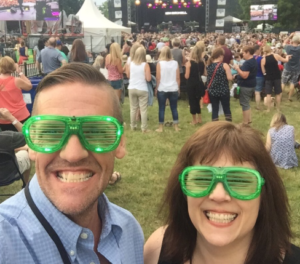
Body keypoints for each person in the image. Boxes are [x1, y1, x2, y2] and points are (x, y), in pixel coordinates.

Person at [0, 63, 144, 263]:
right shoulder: (4, 243)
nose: (73, 154)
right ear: (31, 144)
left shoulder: (129, 230)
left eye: (95, 131)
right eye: (51, 131)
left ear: (119, 143)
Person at [144, 121, 300, 264]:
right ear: (184, 192)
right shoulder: (156, 250)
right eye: (202, 179)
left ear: (264, 195)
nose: (218, 195)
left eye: (240, 181)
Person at [0, 56, 32, 132]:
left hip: (4, 117)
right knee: (26, 138)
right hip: (21, 115)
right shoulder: (17, 81)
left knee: (10, 141)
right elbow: (29, 86)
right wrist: (20, 72)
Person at [0, 108, 31, 184]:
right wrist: (11, 118)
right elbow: (30, 136)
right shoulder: (7, 137)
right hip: (9, 174)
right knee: (26, 153)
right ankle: (25, 183)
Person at [155, 46, 180, 133]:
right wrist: (178, 87)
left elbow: (158, 78)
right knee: (174, 108)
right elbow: (178, 77)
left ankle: (161, 127)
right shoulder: (175, 63)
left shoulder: (159, 63)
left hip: (162, 88)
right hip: (173, 88)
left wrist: (156, 88)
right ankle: (176, 126)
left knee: (161, 108)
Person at [127, 47, 151, 133]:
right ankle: (144, 128)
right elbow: (148, 79)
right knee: (143, 109)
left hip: (132, 87)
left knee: (133, 108)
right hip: (142, 88)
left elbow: (128, 76)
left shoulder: (131, 64)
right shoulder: (145, 65)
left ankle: (133, 126)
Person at [261, 45, 291, 112]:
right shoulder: (276, 56)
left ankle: (268, 109)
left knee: (268, 94)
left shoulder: (263, 60)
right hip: (277, 76)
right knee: (278, 93)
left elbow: (263, 71)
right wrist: (287, 57)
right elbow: (285, 60)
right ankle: (278, 108)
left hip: (268, 77)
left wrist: (266, 74)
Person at [206, 48, 233, 122]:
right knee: (226, 108)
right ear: (220, 56)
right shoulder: (224, 65)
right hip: (223, 90)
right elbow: (229, 78)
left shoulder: (209, 65)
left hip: (213, 90)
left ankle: (215, 125)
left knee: (215, 109)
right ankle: (228, 124)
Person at [233, 46, 257, 125]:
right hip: (251, 84)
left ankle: (245, 122)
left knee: (244, 104)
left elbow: (244, 75)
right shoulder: (253, 60)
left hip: (245, 85)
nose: (242, 54)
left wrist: (237, 69)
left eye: (243, 52)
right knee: (247, 102)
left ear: (248, 53)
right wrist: (240, 68)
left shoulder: (247, 63)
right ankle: (249, 119)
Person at [184, 46, 206, 124]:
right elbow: (205, 73)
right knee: (198, 100)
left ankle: (194, 120)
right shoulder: (202, 62)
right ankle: (199, 118)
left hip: (191, 84)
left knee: (192, 101)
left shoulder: (189, 63)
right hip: (199, 83)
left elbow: (186, 76)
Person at [282, 33, 300, 102]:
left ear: (292, 41)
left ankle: (279, 96)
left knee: (283, 82)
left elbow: (284, 43)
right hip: (296, 68)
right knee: (293, 83)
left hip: (287, 67)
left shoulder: (288, 47)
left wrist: (290, 36)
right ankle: (289, 97)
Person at [253, 45, 264, 110]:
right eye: (260, 49)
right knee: (257, 92)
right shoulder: (261, 58)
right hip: (260, 76)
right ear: (257, 50)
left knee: (255, 91)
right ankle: (258, 106)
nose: (261, 50)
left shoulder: (251, 58)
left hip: (253, 76)